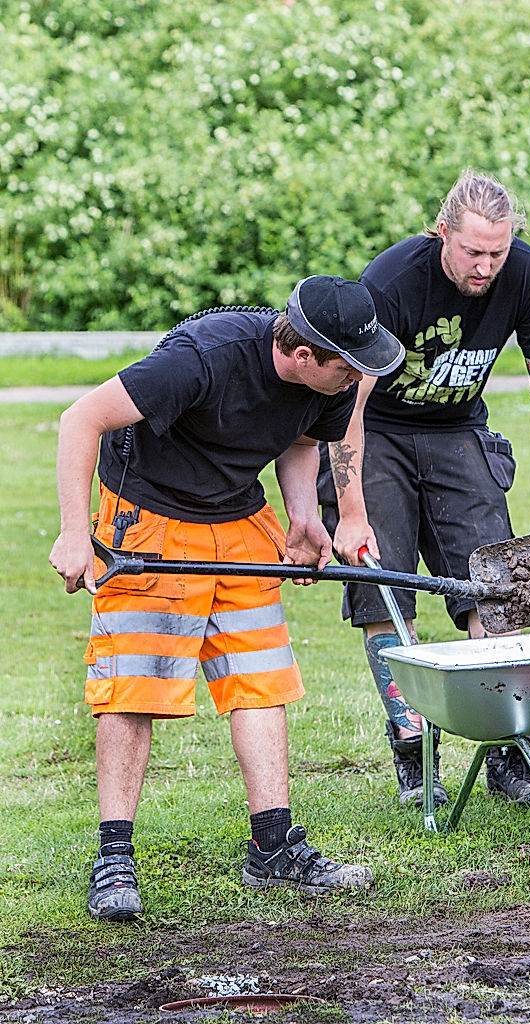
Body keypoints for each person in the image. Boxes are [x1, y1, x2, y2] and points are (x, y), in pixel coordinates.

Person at [48, 275, 404, 920]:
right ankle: (114, 857)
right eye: (347, 370)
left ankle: (274, 846)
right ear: (303, 355)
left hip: (238, 521)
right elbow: (82, 420)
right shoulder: (203, 359)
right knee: (137, 685)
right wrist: (76, 534)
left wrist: (301, 515)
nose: (357, 381)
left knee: (260, 678)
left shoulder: (329, 381)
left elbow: (301, 438)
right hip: (149, 521)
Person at [320, 170, 530, 808]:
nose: (487, 266)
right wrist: (351, 510)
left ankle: (506, 753)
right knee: (383, 590)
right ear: (444, 234)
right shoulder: (393, 282)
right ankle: (413, 749)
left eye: (498, 251)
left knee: (495, 588)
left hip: (457, 428)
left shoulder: (527, 275)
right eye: (473, 252)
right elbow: (348, 404)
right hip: (375, 430)